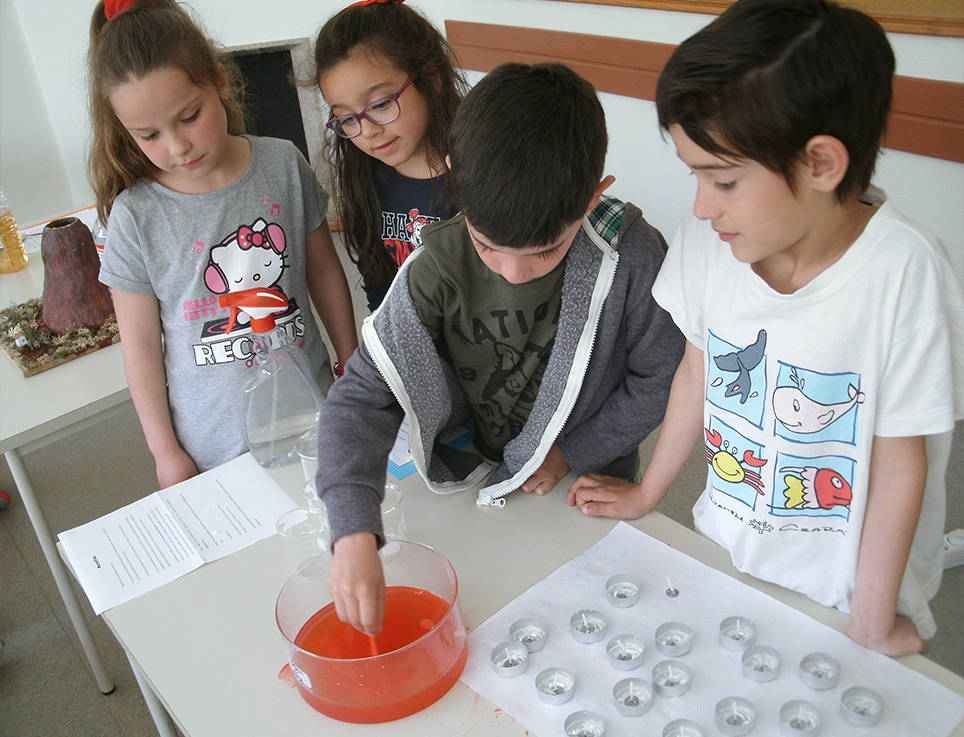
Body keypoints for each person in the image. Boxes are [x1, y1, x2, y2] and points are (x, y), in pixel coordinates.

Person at [569, 0, 964, 657]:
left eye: (722, 179)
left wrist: (870, 615)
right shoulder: (709, 241)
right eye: (695, 174)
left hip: (849, 584)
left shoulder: (904, 271)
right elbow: (696, 371)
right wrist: (648, 491)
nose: (700, 205)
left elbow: (901, 466)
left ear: (821, 164)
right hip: (725, 543)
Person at [315, 62, 684, 634]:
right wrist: (353, 530)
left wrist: (571, 452)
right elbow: (361, 396)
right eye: (488, 248)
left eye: (544, 252)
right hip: (479, 479)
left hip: (579, 487)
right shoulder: (438, 262)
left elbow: (658, 379)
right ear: (455, 177)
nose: (513, 273)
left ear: (593, 197)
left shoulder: (633, 259)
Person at [90, 0, 358, 487]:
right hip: (215, 443)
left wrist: (349, 357)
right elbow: (142, 346)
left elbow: (323, 271)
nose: (177, 147)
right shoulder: (135, 214)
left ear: (219, 81)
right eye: (148, 135)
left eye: (189, 117)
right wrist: (164, 451)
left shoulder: (282, 163)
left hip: (315, 410)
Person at [313, 0, 466, 312]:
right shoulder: (366, 180)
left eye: (381, 104)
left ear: (431, 78)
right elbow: (381, 290)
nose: (367, 131)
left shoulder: (484, 170)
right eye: (347, 119)